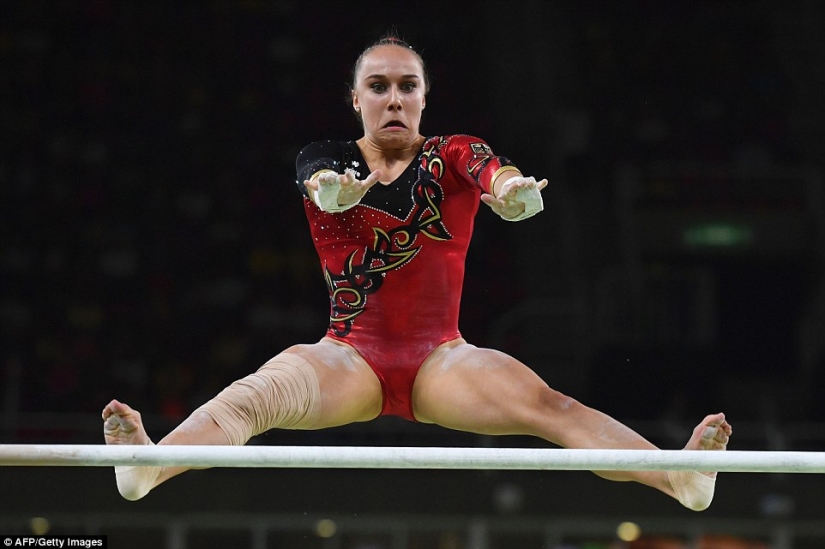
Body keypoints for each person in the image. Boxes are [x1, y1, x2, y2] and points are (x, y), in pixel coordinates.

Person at [102, 34, 731, 511]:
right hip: (348, 357)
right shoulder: (326, 158)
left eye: (408, 85)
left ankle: (681, 479)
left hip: (443, 362)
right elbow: (319, 182)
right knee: (251, 399)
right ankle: (148, 467)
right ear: (356, 100)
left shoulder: (452, 154)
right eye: (378, 86)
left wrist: (511, 192)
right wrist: (332, 193)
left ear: (425, 97)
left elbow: (493, 171)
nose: (394, 98)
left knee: (555, 407)